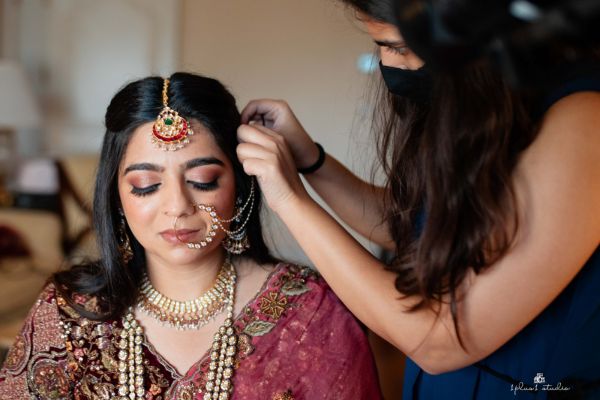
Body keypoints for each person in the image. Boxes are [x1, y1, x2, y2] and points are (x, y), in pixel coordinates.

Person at [234, 0, 600, 398]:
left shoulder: (585, 123)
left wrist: (290, 201)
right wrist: (313, 162)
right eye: (380, 45)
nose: (388, 62)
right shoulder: (494, 108)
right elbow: (419, 231)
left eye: (397, 46)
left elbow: (439, 341)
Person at [0, 72, 382, 399]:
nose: (177, 206)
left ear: (241, 184)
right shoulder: (68, 311)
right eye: (147, 185)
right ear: (116, 197)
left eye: (202, 180)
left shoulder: (311, 310)